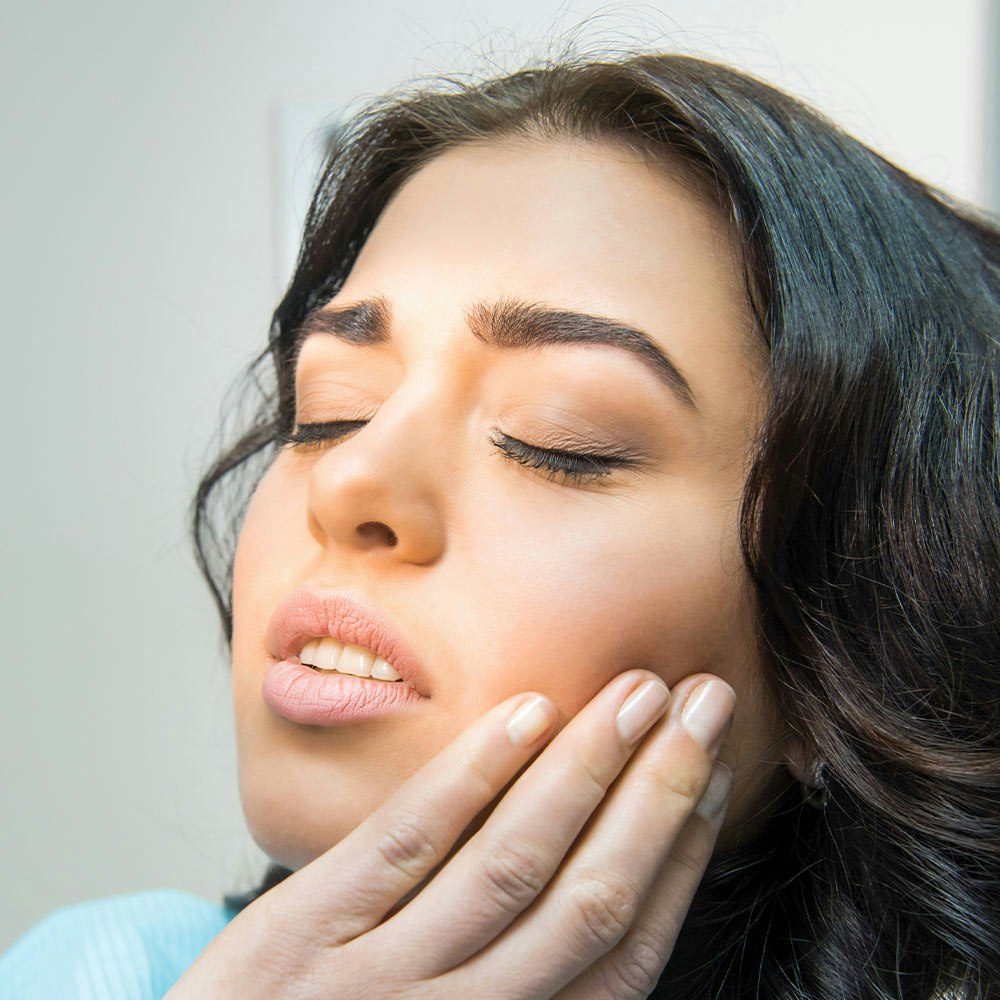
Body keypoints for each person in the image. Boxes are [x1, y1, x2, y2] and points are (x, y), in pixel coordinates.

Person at [2, 40, 998, 1000]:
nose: (348, 479)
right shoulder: (87, 970)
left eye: (557, 439)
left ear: (854, 646)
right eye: (328, 410)